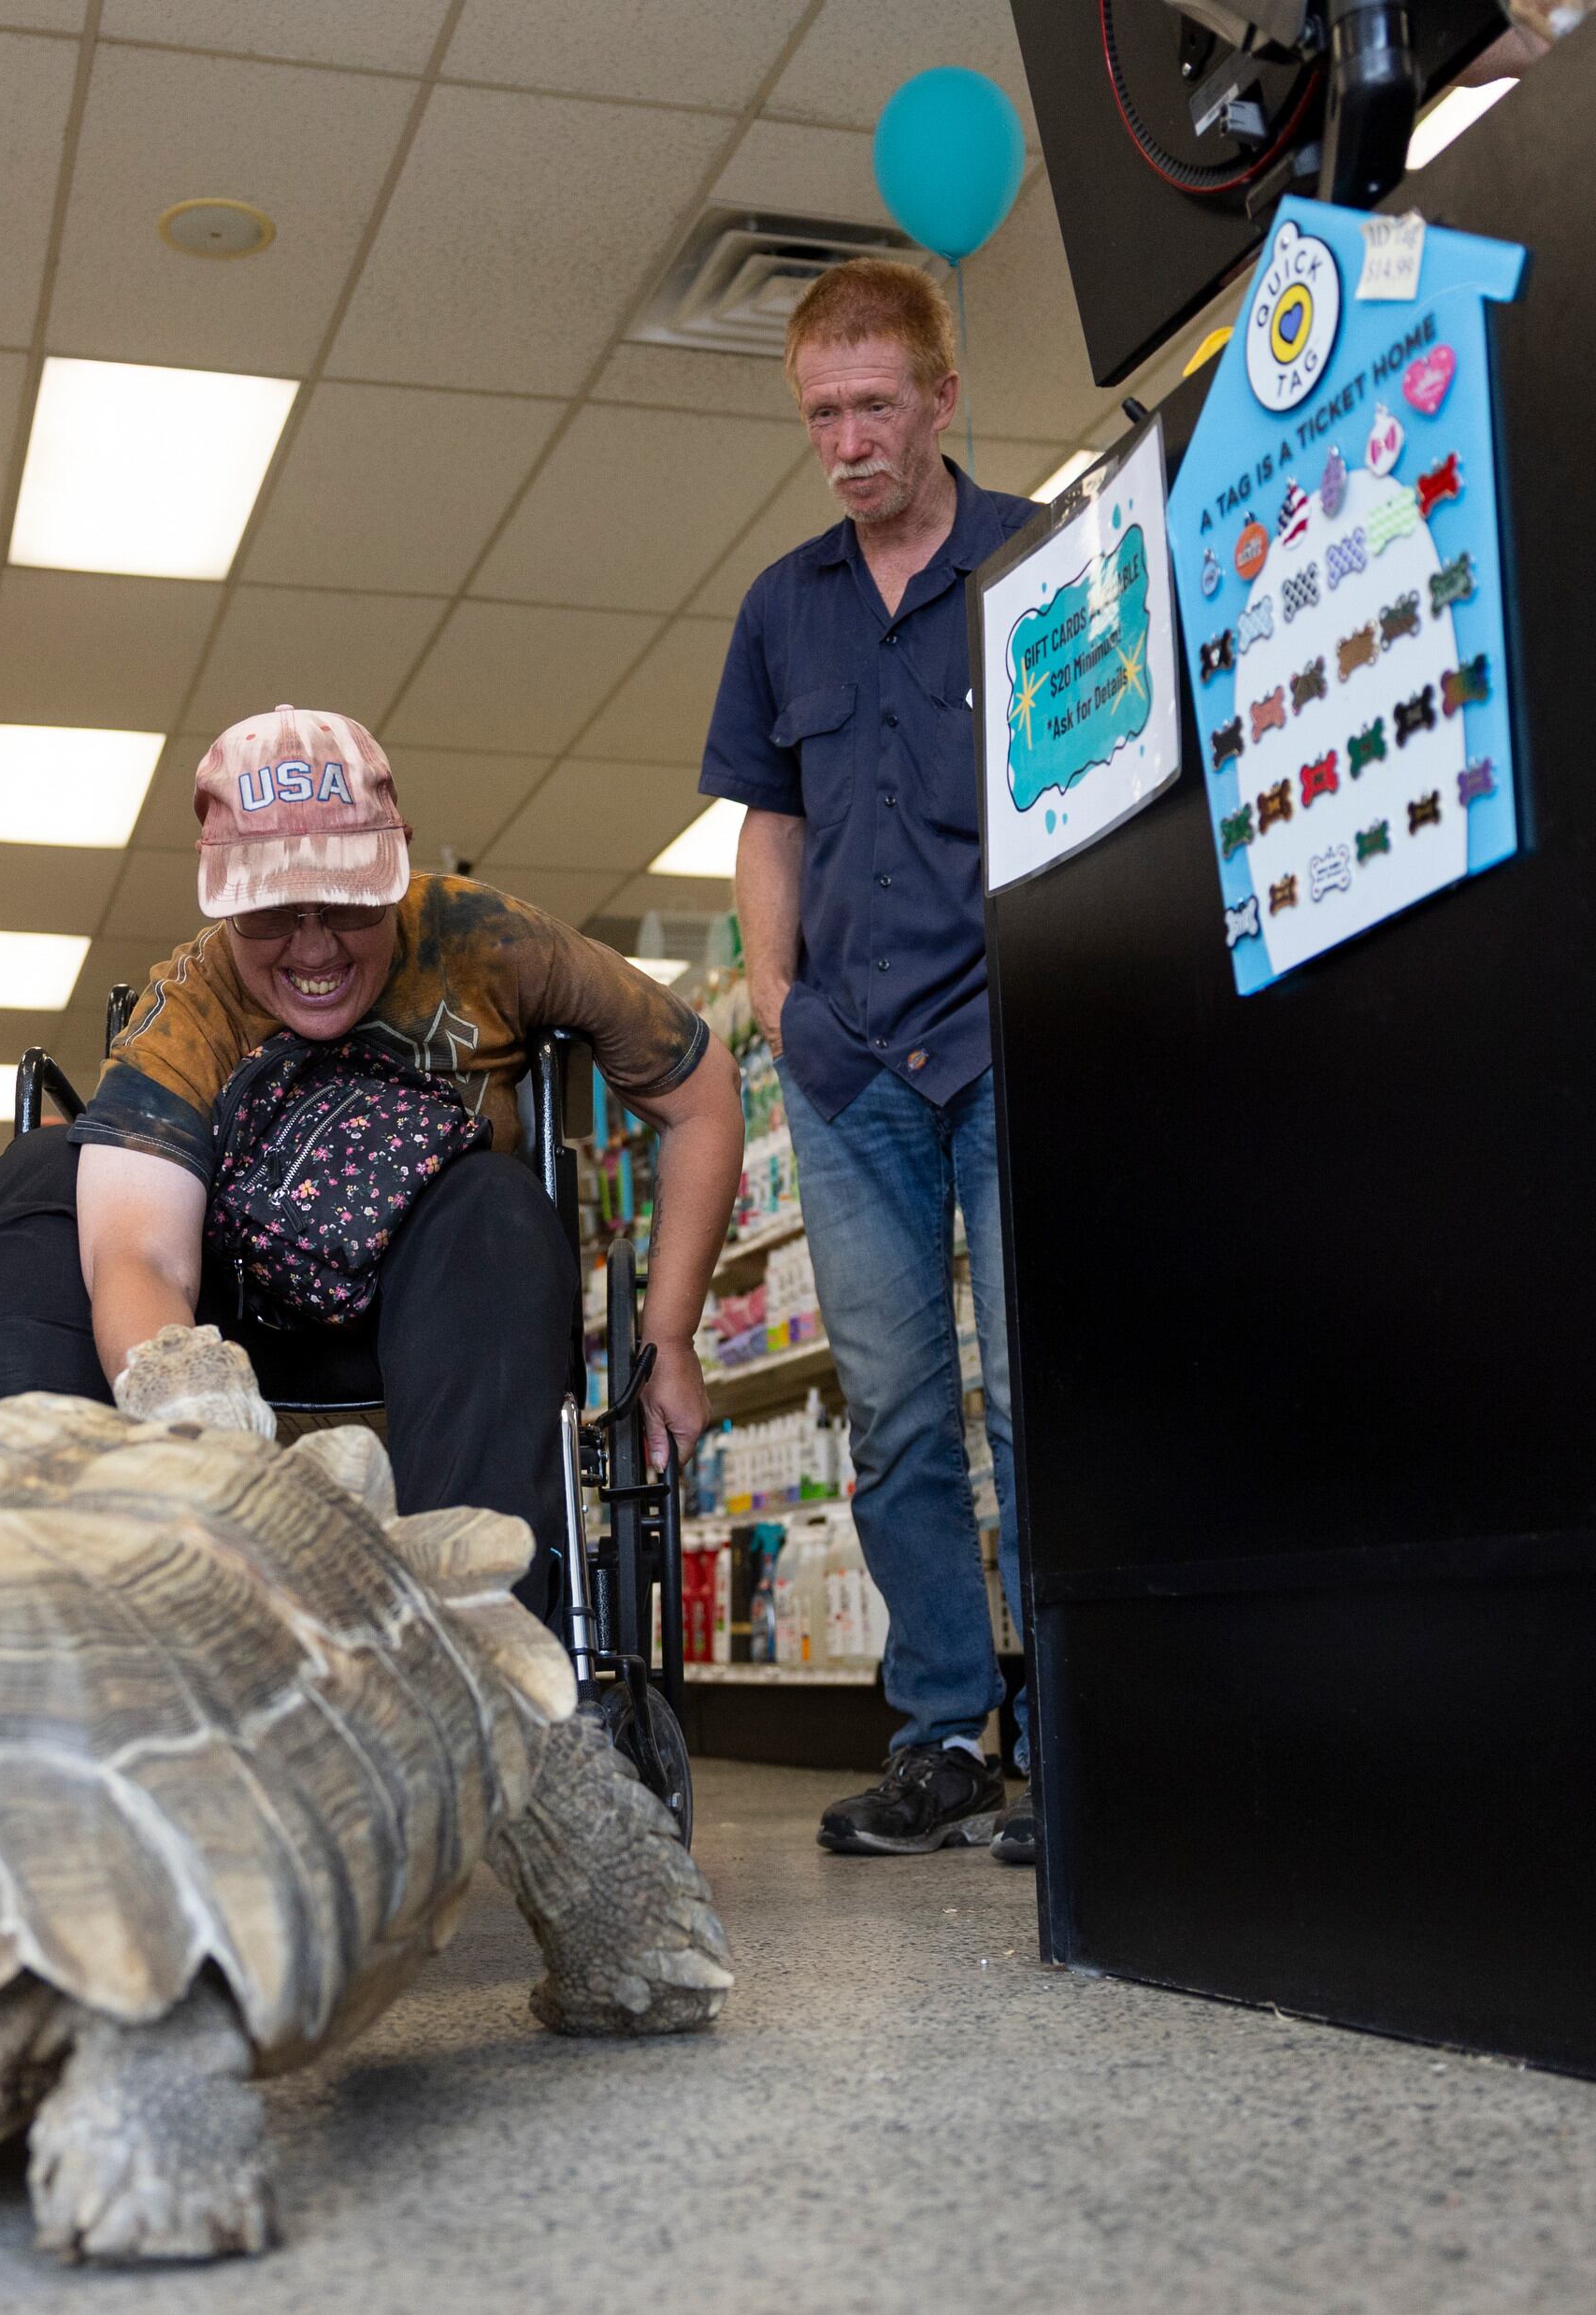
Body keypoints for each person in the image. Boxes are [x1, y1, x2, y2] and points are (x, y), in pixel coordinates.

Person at [0, 706, 741, 1611]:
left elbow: (702, 1093)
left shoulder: (490, 939)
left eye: (351, 908)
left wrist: (667, 1337)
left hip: (444, 1321)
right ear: (229, 901)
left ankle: (474, 1635)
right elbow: (142, 1253)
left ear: (392, 874)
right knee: (46, 1169)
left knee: (495, 1195)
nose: (315, 948)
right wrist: (197, 1417)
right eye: (276, 915)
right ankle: (29, 1591)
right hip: (241, 1333)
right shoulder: (190, 1009)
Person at [698, 261, 1040, 1864]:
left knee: (1040, 1398)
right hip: (845, 1069)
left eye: (874, 406)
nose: (846, 441)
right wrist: (772, 998)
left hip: (1011, 1030)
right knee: (901, 1414)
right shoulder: (783, 607)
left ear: (942, 398)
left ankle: (1078, 1733)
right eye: (820, 413)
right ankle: (945, 1738)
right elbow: (770, 815)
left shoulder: (1038, 552)